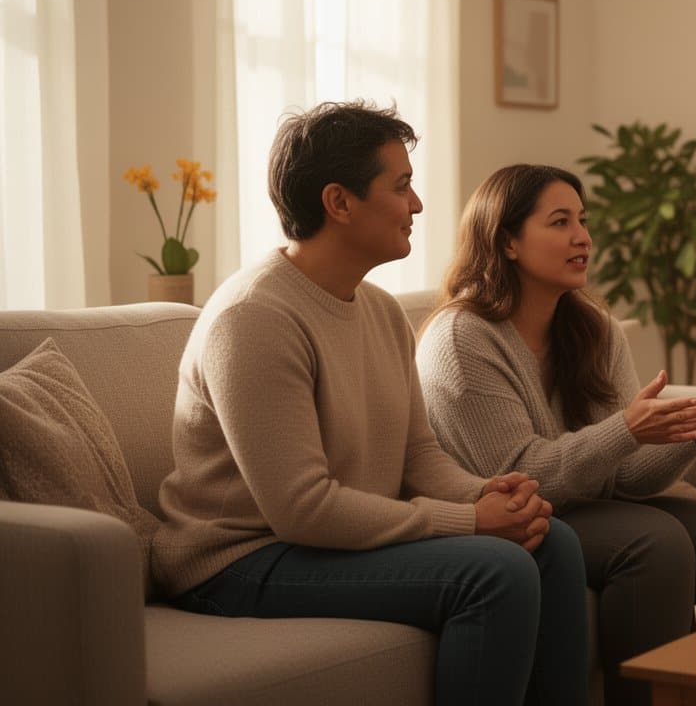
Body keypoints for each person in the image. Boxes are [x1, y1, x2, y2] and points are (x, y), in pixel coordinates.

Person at [152, 102, 587, 706]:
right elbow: (302, 509)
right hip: (240, 560)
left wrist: (486, 495)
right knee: (496, 571)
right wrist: (469, 522)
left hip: (314, 544)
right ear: (339, 202)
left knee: (552, 541)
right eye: (401, 186)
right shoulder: (254, 318)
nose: (417, 204)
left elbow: (418, 455)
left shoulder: (380, 311)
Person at [415, 163, 696, 706]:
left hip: (573, 503)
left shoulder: (594, 329)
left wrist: (690, 434)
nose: (583, 237)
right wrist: (626, 429)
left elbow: (624, 478)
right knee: (655, 544)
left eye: (583, 220)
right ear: (508, 241)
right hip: (504, 511)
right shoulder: (461, 338)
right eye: (560, 222)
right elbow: (518, 478)